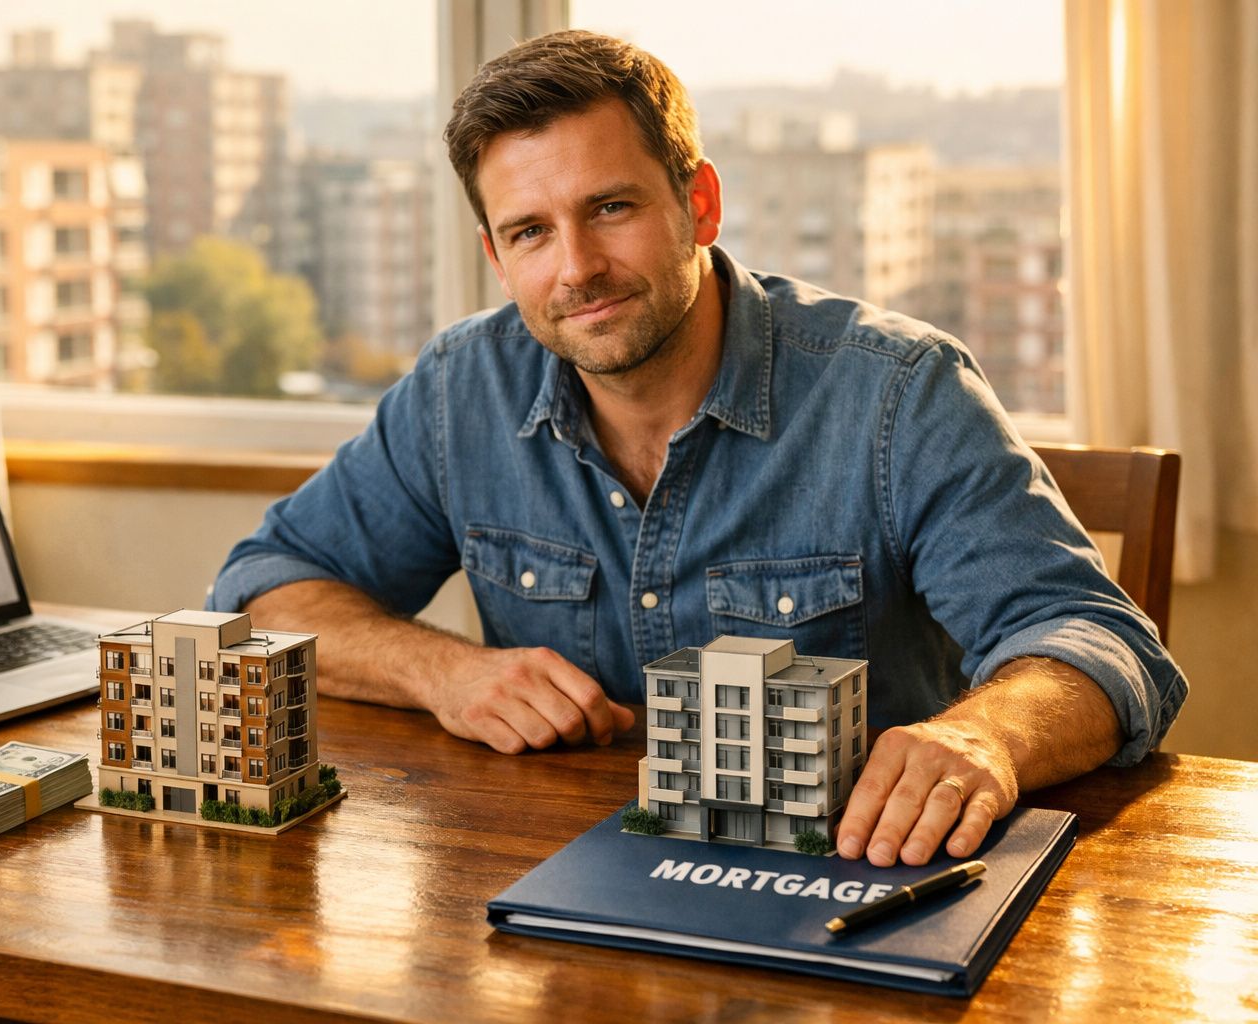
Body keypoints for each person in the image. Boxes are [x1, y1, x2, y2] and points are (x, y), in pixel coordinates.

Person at [209, 30, 1185, 867]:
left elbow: (1099, 642)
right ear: (496, 257)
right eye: (531, 231)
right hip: (551, 896)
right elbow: (269, 587)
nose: (577, 267)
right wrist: (444, 672)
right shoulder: (458, 390)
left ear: (700, 205)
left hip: (854, 882)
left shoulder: (897, 391)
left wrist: (985, 734)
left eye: (612, 208)